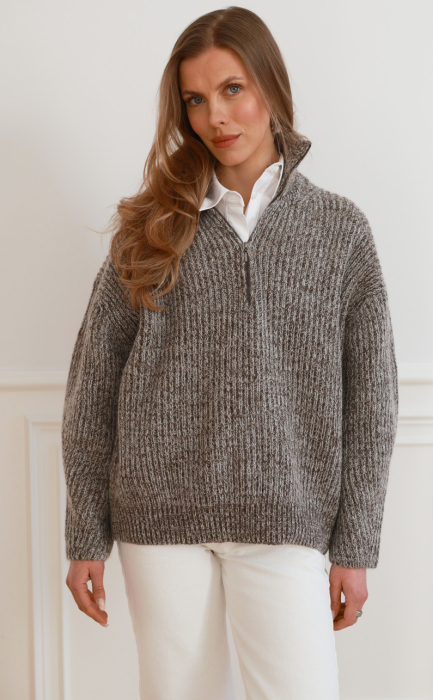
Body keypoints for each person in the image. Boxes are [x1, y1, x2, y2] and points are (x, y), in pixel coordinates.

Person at [62, 7, 399, 700]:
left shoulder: (339, 231)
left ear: (270, 87)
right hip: (160, 519)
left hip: (287, 518)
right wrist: (85, 533)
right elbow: (93, 387)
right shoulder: (148, 228)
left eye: (232, 89)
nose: (214, 116)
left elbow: (371, 402)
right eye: (195, 99)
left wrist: (356, 545)